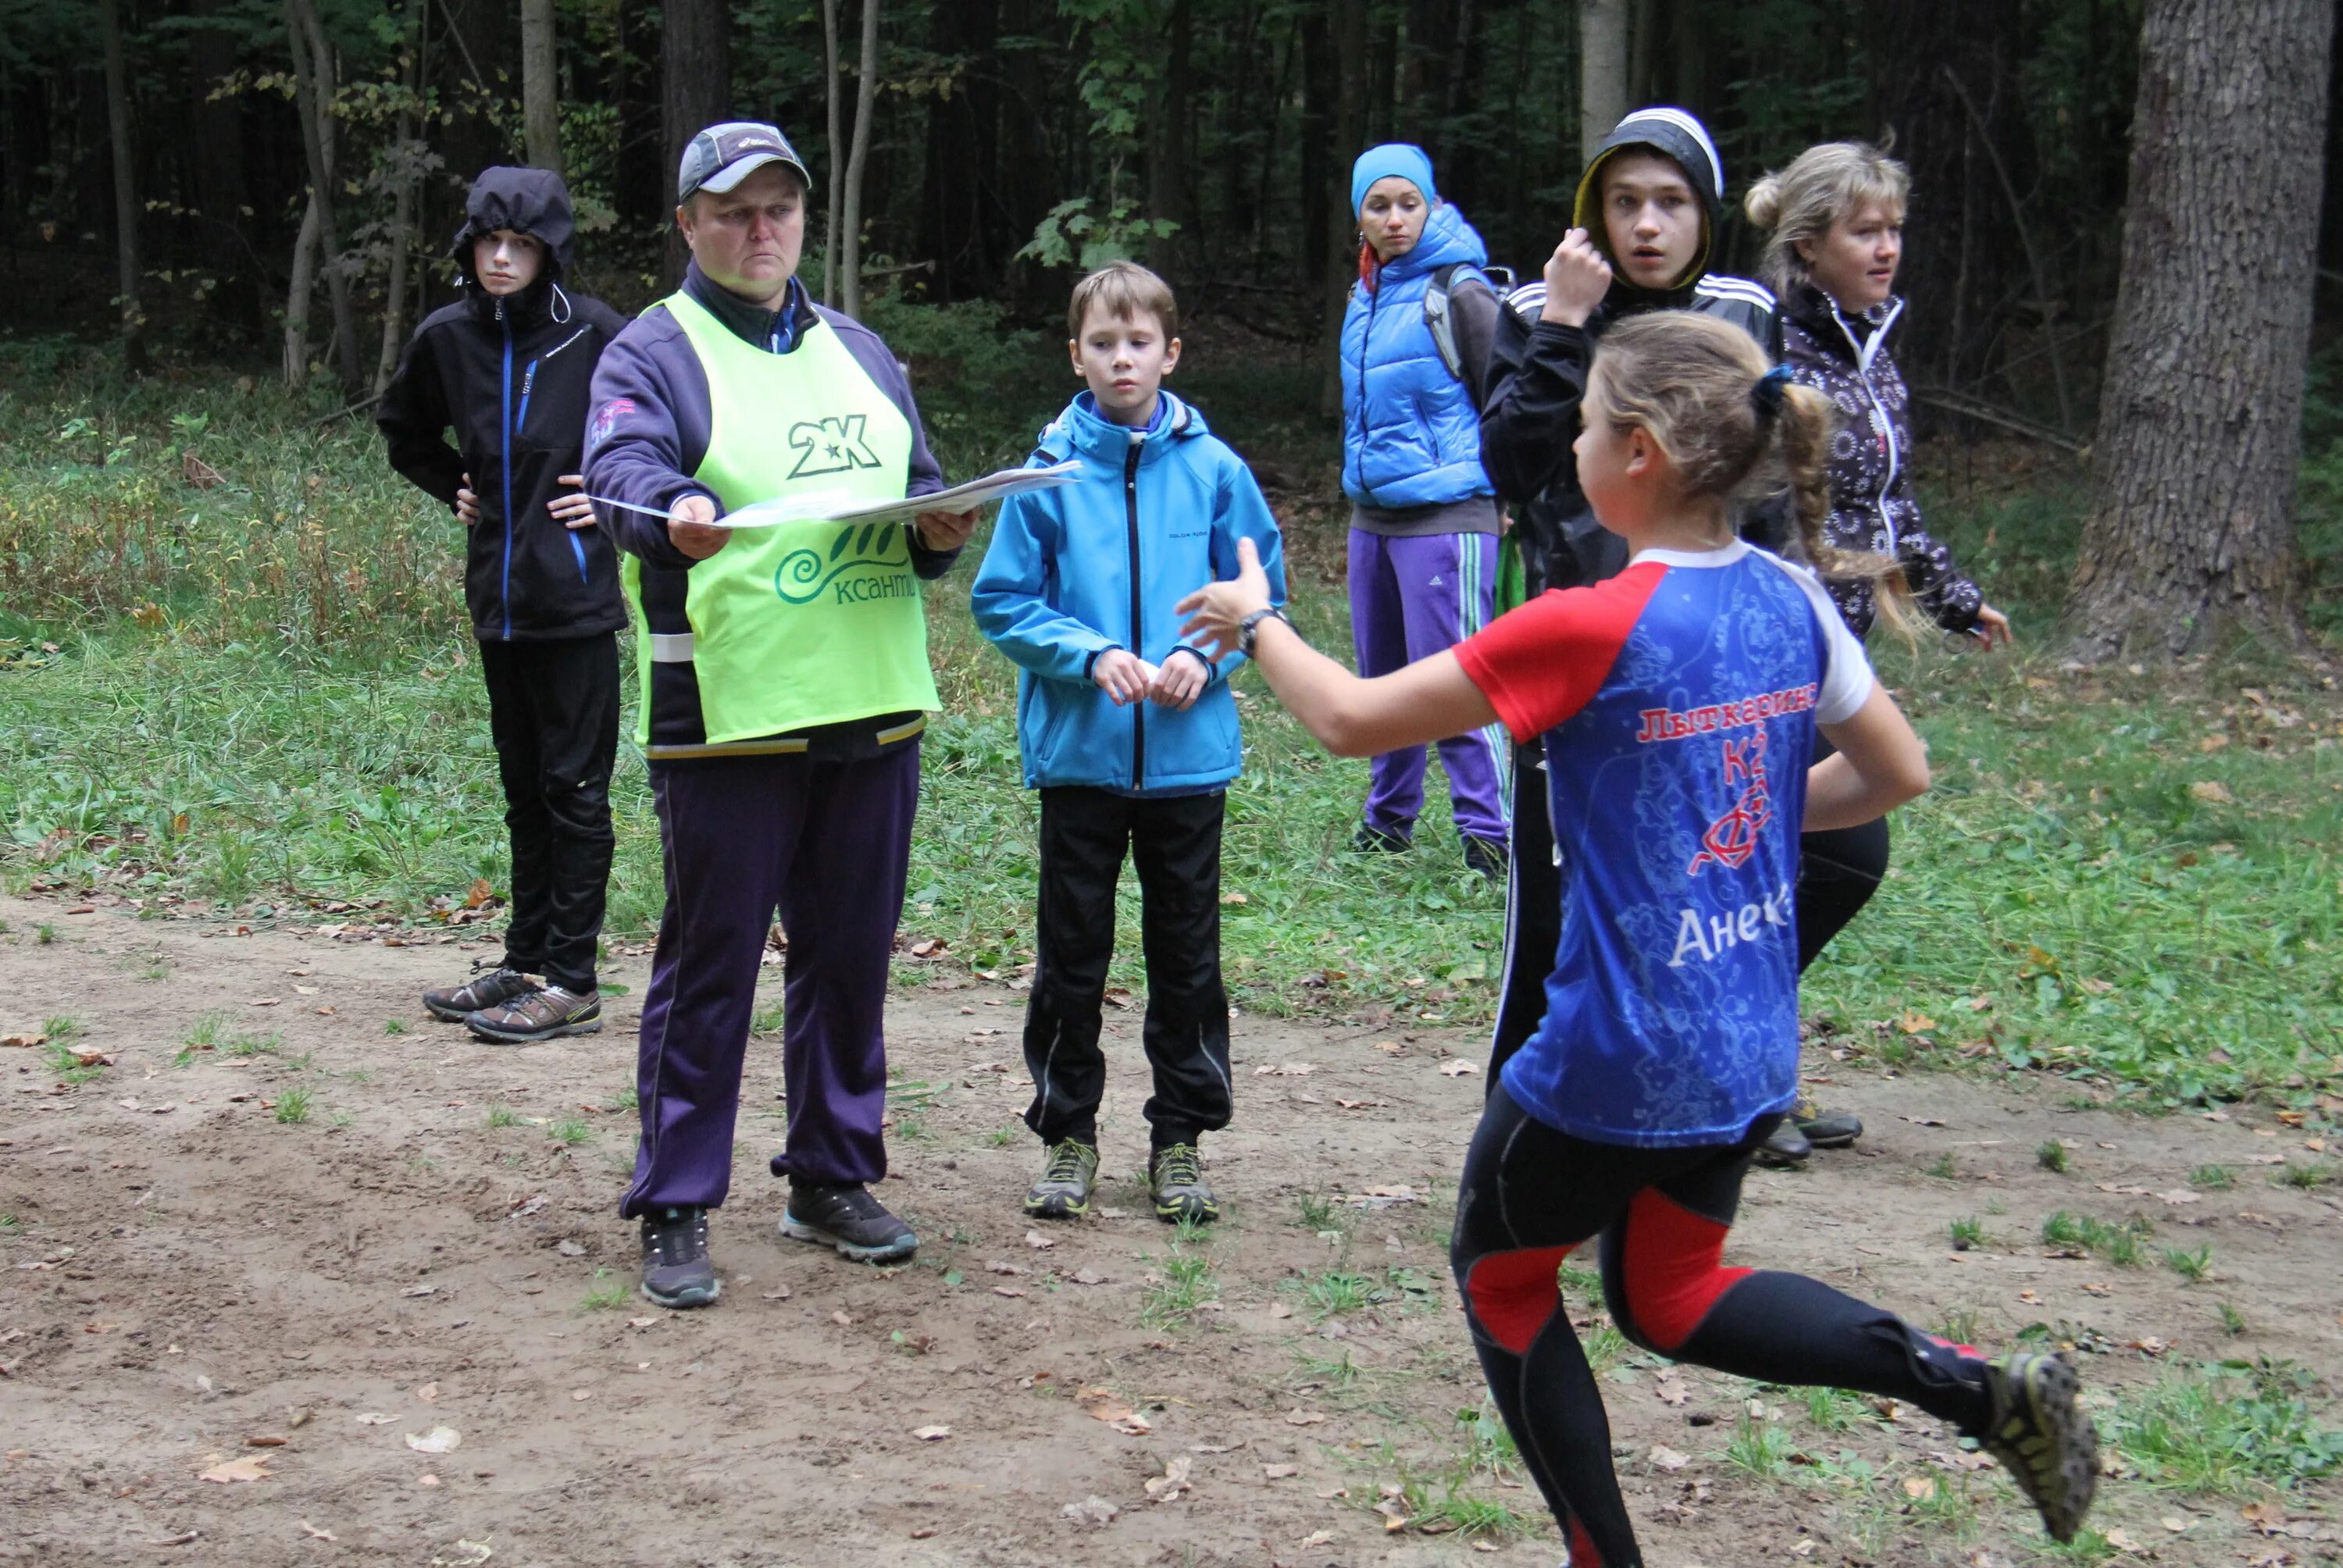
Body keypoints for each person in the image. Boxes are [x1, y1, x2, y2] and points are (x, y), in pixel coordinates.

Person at [1178, 312, 2099, 1566]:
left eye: (1585, 419)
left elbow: (1349, 721)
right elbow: (1897, 773)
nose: (1568, 437)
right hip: (1743, 1050)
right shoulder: (1789, 598)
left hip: (1613, 1060)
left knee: (1503, 1281)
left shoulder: (1587, 622)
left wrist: (1255, 613)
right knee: (1668, 1298)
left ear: (1645, 452)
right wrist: (1749, 821)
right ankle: (1980, 1391)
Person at [581, 121, 978, 1308]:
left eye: (781, 210)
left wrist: (939, 528)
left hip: (874, 704)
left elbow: (920, 490)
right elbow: (620, 477)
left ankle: (831, 1175)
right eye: (736, 211)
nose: (763, 232)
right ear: (690, 224)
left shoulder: (858, 346)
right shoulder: (651, 350)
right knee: (712, 968)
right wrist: (674, 506)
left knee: (849, 961)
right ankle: (675, 1202)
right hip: (731, 711)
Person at [1478, 106, 1863, 1167]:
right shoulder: (1537, 307)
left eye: (1673, 200)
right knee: (1556, 915)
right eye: (1625, 201)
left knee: (1745, 881)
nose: (1648, 224)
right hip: (1579, 653)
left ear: (1705, 208)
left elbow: (1771, 479)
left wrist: (1788, 618)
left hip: (1712, 659)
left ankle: (1732, 1093)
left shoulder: (1740, 309)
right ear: (1592, 212)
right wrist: (1564, 324)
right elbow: (1513, 467)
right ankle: (1513, 1140)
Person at [971, 261, 1286, 1226]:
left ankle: (1180, 1141)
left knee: (1188, 956)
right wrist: (1088, 651)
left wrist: (1213, 657)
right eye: (1102, 343)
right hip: (1082, 758)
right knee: (1074, 955)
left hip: (1188, 761)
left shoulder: (1217, 469)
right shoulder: (1048, 474)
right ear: (1077, 355)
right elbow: (1001, 599)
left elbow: (1260, 588)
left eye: (1138, 342)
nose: (1121, 358)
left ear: (1171, 351)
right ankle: (1068, 1136)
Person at [1745, 141, 2011, 1003]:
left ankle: (1741, 1061)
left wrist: (1955, 600)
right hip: (1767, 650)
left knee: (1798, 859)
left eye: (1894, 228)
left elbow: (1890, 506)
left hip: (1835, 651)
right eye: (1865, 231)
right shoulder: (1767, 351)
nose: (1887, 248)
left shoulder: (1874, 356)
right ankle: (1718, 1051)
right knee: (1841, 851)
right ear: (1808, 244)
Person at [379, 167, 632, 1046]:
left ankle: (574, 980)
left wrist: (612, 498)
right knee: (524, 787)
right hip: (499, 600)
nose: (500, 257)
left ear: (548, 251)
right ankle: (524, 963)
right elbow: (403, 430)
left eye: (519, 244)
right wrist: (456, 484)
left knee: (576, 790)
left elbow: (675, 432)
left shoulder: (597, 335)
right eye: (487, 242)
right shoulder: (448, 338)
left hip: (578, 603)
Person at [1338, 144, 1510, 879]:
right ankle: (1389, 818)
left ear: (1433, 204)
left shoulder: (1460, 289)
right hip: (1372, 516)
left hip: (1450, 514)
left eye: (1410, 203)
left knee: (1457, 676)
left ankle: (1491, 830)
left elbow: (1510, 395)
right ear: (1360, 216)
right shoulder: (1363, 296)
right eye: (1380, 205)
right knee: (1384, 680)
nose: (1396, 218)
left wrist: (1507, 498)